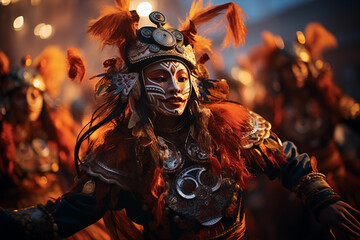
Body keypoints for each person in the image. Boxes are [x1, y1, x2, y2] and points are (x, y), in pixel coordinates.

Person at [0, 1, 360, 239]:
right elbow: (69, 213)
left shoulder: (227, 127)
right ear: (134, 86)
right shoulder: (122, 155)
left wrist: (321, 199)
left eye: (182, 77)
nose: (174, 87)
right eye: (159, 77)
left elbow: (283, 157)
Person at [0, 48, 109, 239]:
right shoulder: (3, 140)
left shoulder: (58, 132)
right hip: (16, 218)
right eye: (20, 97)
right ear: (8, 101)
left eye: (34, 96)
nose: (28, 103)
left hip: (59, 211)